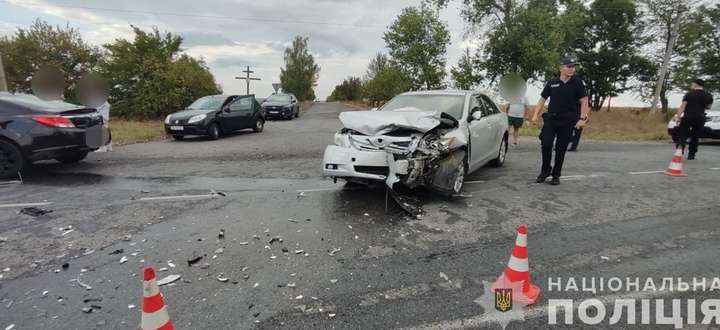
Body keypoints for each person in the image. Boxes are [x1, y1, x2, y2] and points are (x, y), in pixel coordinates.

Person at [530, 55, 590, 185]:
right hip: (552, 119)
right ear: (561, 68)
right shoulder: (552, 82)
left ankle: (556, 175)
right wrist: (535, 114)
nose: (572, 69)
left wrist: (582, 118)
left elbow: (584, 101)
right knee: (546, 144)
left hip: (568, 120)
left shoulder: (577, 83)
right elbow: (542, 99)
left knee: (560, 149)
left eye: (573, 67)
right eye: (569, 66)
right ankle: (545, 171)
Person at [675, 78, 713, 160]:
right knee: (695, 136)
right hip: (700, 117)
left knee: (682, 133)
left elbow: (683, 106)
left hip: (688, 116)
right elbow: (709, 107)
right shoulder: (708, 95)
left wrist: (678, 117)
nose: (691, 85)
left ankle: (679, 151)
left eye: (692, 84)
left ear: (696, 84)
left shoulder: (689, 94)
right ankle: (691, 155)